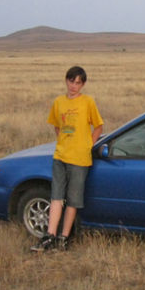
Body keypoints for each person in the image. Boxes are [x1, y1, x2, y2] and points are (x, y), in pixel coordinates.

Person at [31, 66, 104, 252]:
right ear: (66, 81)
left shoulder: (88, 102)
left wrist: (88, 145)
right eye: (71, 81)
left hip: (80, 158)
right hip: (60, 156)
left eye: (78, 82)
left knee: (73, 199)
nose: (74, 86)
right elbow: (57, 126)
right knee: (56, 196)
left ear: (83, 84)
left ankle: (64, 238)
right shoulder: (58, 102)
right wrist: (64, 142)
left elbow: (98, 126)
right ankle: (50, 236)